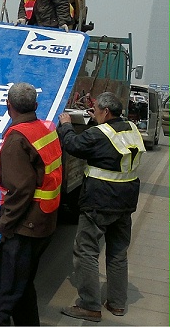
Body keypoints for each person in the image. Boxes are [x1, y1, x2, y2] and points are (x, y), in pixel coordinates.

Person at [58, 92, 145, 322]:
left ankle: (89, 306)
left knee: (86, 250)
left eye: (95, 109)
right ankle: (117, 304)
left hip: (99, 201)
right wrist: (95, 119)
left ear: (106, 112)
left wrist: (66, 125)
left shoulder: (99, 134)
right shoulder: (131, 129)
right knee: (117, 253)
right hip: (125, 203)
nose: (93, 112)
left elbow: (72, 145)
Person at [0, 82, 63, 325]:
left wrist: (4, 225)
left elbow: (21, 190)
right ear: (36, 106)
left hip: (25, 228)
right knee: (23, 287)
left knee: (2, 295)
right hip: (45, 222)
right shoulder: (46, 129)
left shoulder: (18, 139)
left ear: (8, 106)